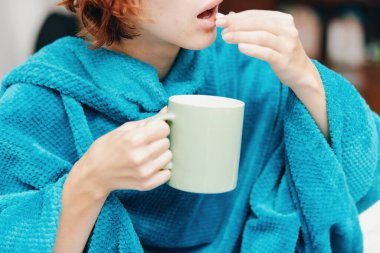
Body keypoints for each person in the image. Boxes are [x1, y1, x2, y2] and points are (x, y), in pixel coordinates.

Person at [0, 0, 378, 252]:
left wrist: (307, 78)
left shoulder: (250, 69)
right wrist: (90, 182)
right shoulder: (40, 97)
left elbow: (365, 178)